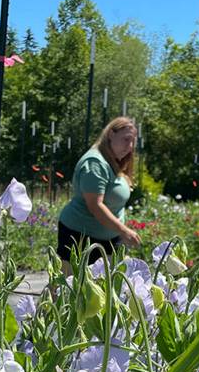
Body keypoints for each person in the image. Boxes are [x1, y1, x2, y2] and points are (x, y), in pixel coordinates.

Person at [56, 117, 140, 273]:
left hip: (108, 240)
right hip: (80, 236)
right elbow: (95, 205)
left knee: (104, 289)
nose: (130, 147)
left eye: (133, 141)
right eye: (126, 139)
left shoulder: (113, 161)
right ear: (110, 135)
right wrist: (124, 231)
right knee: (68, 287)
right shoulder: (95, 163)